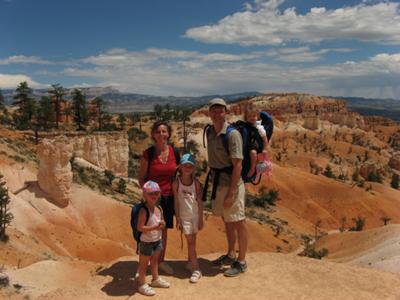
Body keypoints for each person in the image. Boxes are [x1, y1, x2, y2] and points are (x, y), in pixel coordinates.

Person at [205, 98, 248, 277]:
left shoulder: (232, 134)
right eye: (213, 110)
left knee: (239, 221)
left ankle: (242, 261)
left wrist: (231, 192)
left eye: (220, 110)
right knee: (227, 220)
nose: (216, 113)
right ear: (210, 113)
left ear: (225, 112)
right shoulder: (209, 132)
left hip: (232, 184)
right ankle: (231, 254)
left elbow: (237, 165)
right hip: (218, 183)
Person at [139, 121, 178, 275]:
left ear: (168, 134)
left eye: (164, 131)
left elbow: (179, 176)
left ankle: (160, 261)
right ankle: (144, 262)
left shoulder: (175, 153)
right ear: (153, 135)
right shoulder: (148, 154)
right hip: (152, 197)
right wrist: (147, 196)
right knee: (147, 231)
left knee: (163, 230)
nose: (161, 134)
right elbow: (142, 178)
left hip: (168, 196)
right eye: (158, 131)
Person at [173, 153, 204, 283]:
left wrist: (201, 218)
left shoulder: (196, 184)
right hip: (185, 217)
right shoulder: (176, 183)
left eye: (190, 166)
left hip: (195, 216)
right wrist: (178, 218)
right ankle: (196, 269)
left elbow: (200, 202)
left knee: (193, 241)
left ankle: (190, 262)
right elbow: (176, 201)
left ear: (193, 168)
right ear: (180, 167)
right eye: (185, 165)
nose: (187, 168)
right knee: (190, 242)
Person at [137, 180, 170, 296]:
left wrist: (163, 224)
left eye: (156, 193)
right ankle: (142, 284)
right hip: (146, 242)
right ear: (144, 195)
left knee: (155, 261)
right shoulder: (143, 210)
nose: (154, 196)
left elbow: (162, 221)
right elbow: (140, 227)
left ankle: (155, 279)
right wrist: (155, 227)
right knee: (144, 263)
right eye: (150, 193)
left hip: (157, 239)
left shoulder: (159, 208)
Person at [243, 104, 270, 178]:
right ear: (246, 117)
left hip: (254, 145)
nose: (252, 118)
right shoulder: (244, 126)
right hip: (247, 144)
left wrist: (265, 149)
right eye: (249, 116)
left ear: (257, 116)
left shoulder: (259, 127)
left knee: (253, 153)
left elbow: (265, 139)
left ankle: (252, 168)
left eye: (254, 116)